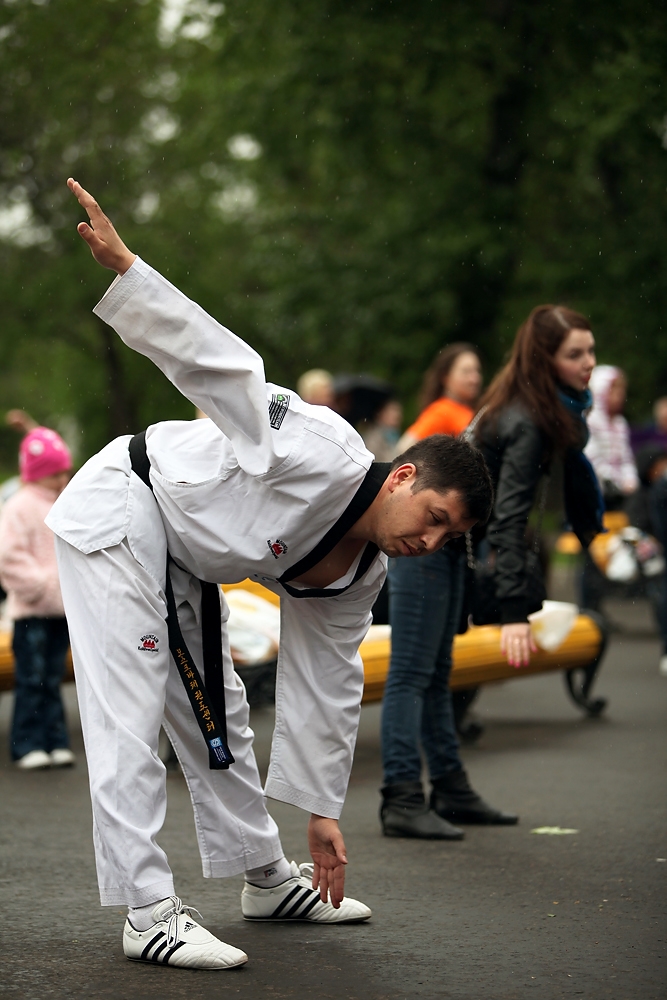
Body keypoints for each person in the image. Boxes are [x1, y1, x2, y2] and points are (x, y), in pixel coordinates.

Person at [48, 179, 493, 971]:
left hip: (182, 553)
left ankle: (264, 878)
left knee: (218, 710)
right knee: (131, 706)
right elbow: (228, 373)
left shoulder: (360, 572)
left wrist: (321, 812)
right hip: (124, 499)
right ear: (401, 478)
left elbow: (326, 678)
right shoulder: (320, 446)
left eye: (449, 537)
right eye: (433, 517)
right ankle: (147, 911)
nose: (431, 541)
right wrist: (131, 273)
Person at [380, 343, 516, 838]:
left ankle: (449, 787)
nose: (474, 377)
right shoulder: (450, 412)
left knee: (437, 671)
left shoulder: (490, 415)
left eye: (479, 368)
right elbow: (410, 455)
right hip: (430, 544)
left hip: (455, 543)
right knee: (412, 672)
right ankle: (400, 794)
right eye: (466, 369)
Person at [471, 305, 604, 669]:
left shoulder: (545, 409)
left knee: (433, 676)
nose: (588, 362)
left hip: (454, 541)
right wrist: (514, 612)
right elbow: (509, 516)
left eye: (591, 350)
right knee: (419, 675)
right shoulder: (528, 420)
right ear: (545, 361)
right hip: (437, 546)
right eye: (574, 354)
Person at [0, 427, 74, 770]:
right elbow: (8, 557)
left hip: (60, 610)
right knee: (31, 678)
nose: (63, 477)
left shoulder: (66, 502)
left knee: (53, 676)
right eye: (57, 472)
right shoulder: (18, 507)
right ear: (41, 473)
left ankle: (55, 739)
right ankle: (27, 742)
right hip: (31, 610)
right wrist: (43, 585)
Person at [584, 365, 639, 507]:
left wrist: (630, 480)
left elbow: (626, 458)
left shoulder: (620, 424)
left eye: (622, 391)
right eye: (613, 391)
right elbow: (592, 458)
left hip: (620, 492)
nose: (620, 396)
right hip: (597, 489)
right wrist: (613, 480)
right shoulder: (590, 421)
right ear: (600, 392)